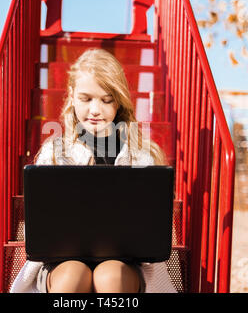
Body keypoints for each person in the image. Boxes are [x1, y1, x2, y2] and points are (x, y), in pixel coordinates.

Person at [10, 48, 176, 293]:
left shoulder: (142, 155)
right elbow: (42, 226)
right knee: (73, 276)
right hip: (60, 263)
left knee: (110, 276)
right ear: (72, 96)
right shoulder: (54, 153)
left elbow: (155, 231)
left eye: (106, 99)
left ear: (118, 101)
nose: (96, 109)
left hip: (127, 263)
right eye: (86, 99)